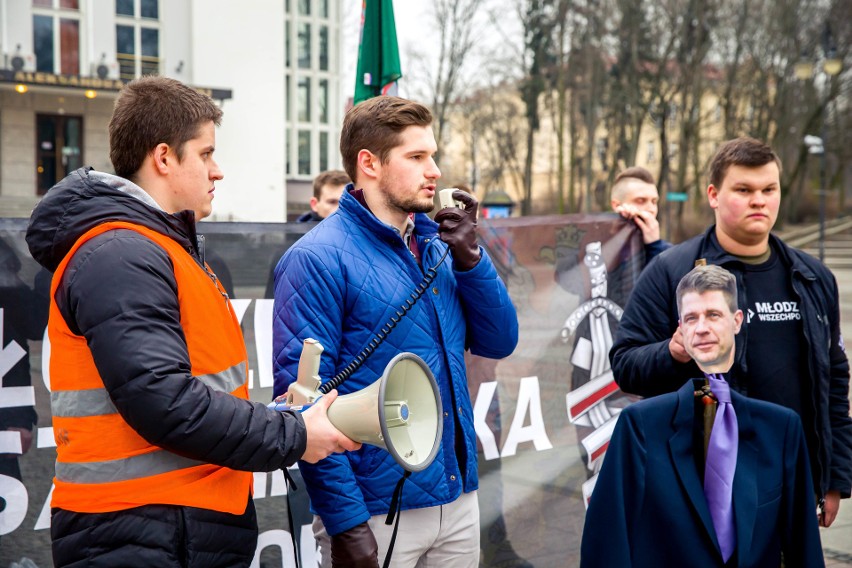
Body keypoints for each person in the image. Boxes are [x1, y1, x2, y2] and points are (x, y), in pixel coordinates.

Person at [25, 76, 358, 567]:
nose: (217, 171)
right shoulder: (121, 253)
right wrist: (295, 435)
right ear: (163, 158)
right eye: (205, 154)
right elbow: (165, 400)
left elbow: (191, 386)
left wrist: (280, 416)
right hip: (141, 534)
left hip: (171, 529)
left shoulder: (152, 249)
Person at [272, 95, 519, 567]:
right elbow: (302, 403)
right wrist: (346, 524)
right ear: (369, 163)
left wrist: (472, 259)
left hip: (457, 495)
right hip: (376, 509)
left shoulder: (438, 244)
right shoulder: (315, 259)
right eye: (417, 156)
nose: (436, 171)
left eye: (434, 154)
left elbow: (500, 340)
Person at [610, 136, 852, 528]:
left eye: (768, 189)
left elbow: (834, 382)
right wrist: (674, 352)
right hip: (697, 488)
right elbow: (624, 365)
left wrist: (835, 476)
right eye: (743, 189)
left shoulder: (813, 277)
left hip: (790, 481)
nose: (759, 200)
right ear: (714, 195)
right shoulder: (673, 272)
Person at [583, 265, 824, 567]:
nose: (701, 327)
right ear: (680, 329)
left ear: (737, 321)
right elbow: (606, 540)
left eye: (713, 314)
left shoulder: (781, 428)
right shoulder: (640, 427)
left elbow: (804, 546)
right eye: (691, 318)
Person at [610, 166, 671, 263]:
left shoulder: (670, 253)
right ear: (617, 205)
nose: (651, 209)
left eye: (654, 202)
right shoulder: (594, 248)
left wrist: (654, 246)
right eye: (641, 201)